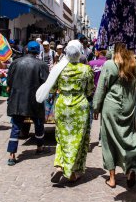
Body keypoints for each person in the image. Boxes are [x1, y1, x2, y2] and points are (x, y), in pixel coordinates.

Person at [36, 40, 94, 183]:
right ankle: (71, 172)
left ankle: (60, 165)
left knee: (62, 137)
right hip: (80, 106)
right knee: (77, 139)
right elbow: (89, 90)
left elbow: (52, 87)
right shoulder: (86, 69)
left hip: (62, 105)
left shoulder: (59, 68)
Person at [93, 42, 136, 189]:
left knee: (108, 140)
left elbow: (102, 88)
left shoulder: (109, 65)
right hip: (129, 105)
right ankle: (130, 169)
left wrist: (96, 107)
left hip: (111, 106)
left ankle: (112, 178)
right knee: (129, 137)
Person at [6, 41, 50, 166]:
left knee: (15, 127)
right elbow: (46, 83)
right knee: (38, 124)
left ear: (26, 49)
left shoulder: (15, 63)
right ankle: (40, 147)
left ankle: (12, 154)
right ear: (38, 51)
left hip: (17, 100)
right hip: (34, 100)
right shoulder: (42, 65)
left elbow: (9, 81)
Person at [88, 46, 107, 147]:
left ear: (98, 52)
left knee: (89, 117)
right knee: (103, 118)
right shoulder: (108, 64)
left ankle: (87, 138)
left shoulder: (91, 63)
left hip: (92, 93)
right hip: (105, 94)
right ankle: (101, 139)